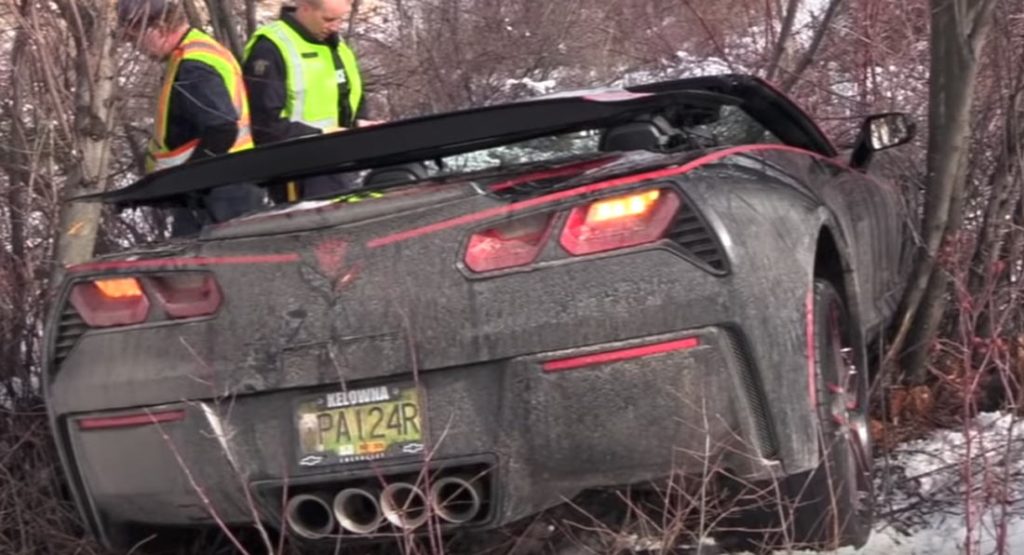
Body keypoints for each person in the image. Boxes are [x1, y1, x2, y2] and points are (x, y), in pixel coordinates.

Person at [116, 0, 264, 236]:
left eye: (135, 38)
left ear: (161, 27)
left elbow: (221, 128)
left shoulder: (193, 66)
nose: (136, 48)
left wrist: (191, 178)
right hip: (226, 185)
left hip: (218, 195)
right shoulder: (199, 50)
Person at [242, 0, 374, 202]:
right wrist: (322, 134)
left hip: (342, 162)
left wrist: (358, 123)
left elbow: (350, 95)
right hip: (298, 172)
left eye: (340, 19)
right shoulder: (270, 47)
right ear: (304, 7)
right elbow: (265, 125)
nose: (335, 26)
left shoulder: (336, 45)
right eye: (328, 19)